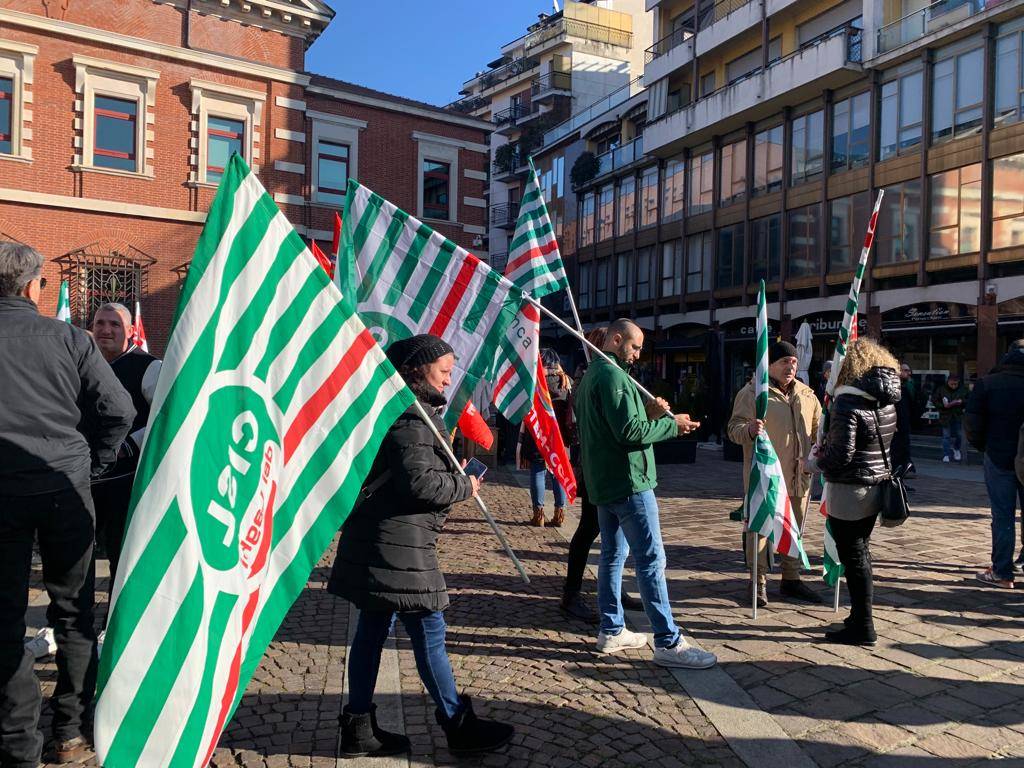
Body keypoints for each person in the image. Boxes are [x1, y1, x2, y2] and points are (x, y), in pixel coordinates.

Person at [329, 334, 514, 758]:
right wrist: (463, 485)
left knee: (373, 631)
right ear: (417, 368)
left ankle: (359, 729)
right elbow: (419, 484)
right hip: (399, 545)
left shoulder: (412, 413)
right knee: (428, 630)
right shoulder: (410, 418)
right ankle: (457, 726)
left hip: (389, 540)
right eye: (444, 369)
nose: (450, 377)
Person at [0, 241, 135, 766]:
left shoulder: (69, 338)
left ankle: (17, 744)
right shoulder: (69, 339)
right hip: (64, 489)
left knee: (6, 619)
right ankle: (71, 734)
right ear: (35, 287)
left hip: (8, 491)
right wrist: (92, 465)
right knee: (74, 615)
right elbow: (117, 411)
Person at [575, 318, 716, 669]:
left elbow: (617, 424)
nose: (638, 354)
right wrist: (673, 424)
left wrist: (651, 412)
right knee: (651, 561)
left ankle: (612, 628)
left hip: (605, 483)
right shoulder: (611, 375)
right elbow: (629, 432)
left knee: (612, 556)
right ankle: (668, 641)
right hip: (628, 482)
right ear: (617, 339)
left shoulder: (595, 374)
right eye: (635, 347)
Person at [808, 338, 900, 646]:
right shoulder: (886, 398)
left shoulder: (848, 401)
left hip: (850, 489)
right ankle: (859, 617)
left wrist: (814, 459)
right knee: (861, 553)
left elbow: (840, 455)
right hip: (875, 486)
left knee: (854, 556)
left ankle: (863, 624)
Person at [727, 341, 822, 608]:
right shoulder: (753, 393)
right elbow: (733, 428)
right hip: (766, 478)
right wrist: (749, 430)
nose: (790, 366)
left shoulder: (807, 394)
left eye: (793, 362)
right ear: (770, 365)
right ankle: (757, 582)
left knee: (795, 531)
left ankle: (791, 579)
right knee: (760, 531)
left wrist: (819, 448)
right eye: (784, 362)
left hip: (799, 476)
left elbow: (818, 429)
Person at [560, 328, 644, 623]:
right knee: (589, 530)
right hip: (597, 466)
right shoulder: (595, 375)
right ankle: (571, 595)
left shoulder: (607, 373)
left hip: (601, 466)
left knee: (609, 535)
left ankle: (612, 591)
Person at [965, 339, 1024, 589]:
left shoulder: (988, 383)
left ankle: (1002, 572)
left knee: (1003, 516)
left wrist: (984, 447)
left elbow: (973, 424)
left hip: (999, 456)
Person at [518, 349, 571, 527]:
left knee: (538, 471)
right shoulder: (566, 381)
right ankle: (559, 514)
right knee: (558, 472)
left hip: (538, 432)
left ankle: (538, 514)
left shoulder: (534, 381)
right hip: (560, 436)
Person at [891, 361, 917, 479]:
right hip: (896, 425)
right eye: (905, 370)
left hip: (905, 424)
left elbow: (914, 404)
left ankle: (902, 475)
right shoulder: (894, 386)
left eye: (908, 370)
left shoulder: (908, 386)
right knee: (896, 451)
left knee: (904, 449)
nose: (908, 373)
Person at [935, 373, 968, 462]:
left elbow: (969, 399)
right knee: (946, 436)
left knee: (959, 435)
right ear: (948, 382)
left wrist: (961, 402)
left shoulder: (963, 389)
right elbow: (935, 400)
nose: (953, 386)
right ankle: (946, 454)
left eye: (955, 384)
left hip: (957, 414)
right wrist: (943, 405)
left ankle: (956, 448)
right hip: (946, 415)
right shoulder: (941, 389)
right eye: (952, 384)